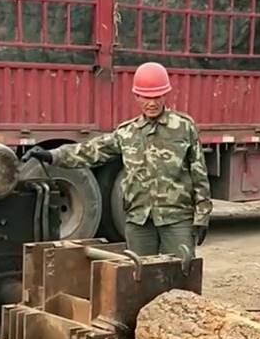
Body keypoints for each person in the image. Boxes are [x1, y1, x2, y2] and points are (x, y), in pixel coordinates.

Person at [22, 62, 212, 257]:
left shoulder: (184, 128)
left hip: (176, 219)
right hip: (139, 221)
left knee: (181, 274)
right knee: (140, 277)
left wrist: (202, 216)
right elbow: (91, 150)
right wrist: (52, 155)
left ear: (165, 95)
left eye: (157, 96)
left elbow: (199, 175)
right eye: (146, 97)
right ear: (137, 97)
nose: (152, 103)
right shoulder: (127, 133)